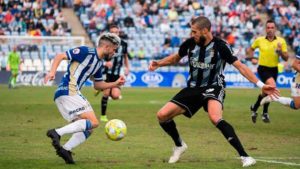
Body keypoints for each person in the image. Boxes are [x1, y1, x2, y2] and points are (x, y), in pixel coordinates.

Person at [148, 16, 279, 167]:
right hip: (193, 88)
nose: (192, 35)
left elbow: (241, 66)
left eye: (194, 32)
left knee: (215, 117)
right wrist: (159, 63)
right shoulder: (190, 44)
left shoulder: (221, 46)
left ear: (205, 31)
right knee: (162, 115)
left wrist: (260, 84)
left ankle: (245, 156)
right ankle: (179, 145)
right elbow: (176, 58)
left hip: (214, 85)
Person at [44, 32, 125, 164]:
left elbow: (98, 85)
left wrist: (115, 83)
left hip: (67, 94)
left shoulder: (98, 63)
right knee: (94, 122)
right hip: (69, 90)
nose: (114, 53)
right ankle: (57, 132)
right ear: (106, 47)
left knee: (90, 128)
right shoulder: (85, 51)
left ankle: (65, 149)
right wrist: (52, 72)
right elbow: (60, 56)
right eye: (114, 49)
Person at [247, 20, 288, 123]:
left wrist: (280, 52)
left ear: (275, 29)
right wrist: (252, 58)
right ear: (265, 29)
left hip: (274, 69)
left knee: (265, 92)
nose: (270, 29)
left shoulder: (281, 41)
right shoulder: (259, 40)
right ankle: (265, 113)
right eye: (268, 27)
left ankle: (254, 108)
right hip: (263, 68)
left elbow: (286, 58)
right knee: (272, 87)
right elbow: (250, 49)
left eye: (272, 27)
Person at [95, 25, 130, 122]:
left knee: (115, 96)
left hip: (117, 73)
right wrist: (105, 63)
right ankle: (103, 116)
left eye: (117, 32)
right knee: (106, 93)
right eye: (113, 32)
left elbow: (125, 56)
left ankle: (101, 88)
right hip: (106, 72)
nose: (115, 34)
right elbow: (98, 56)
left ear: (119, 33)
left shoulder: (124, 44)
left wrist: (127, 67)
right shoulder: (105, 44)